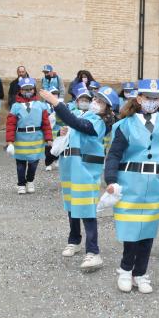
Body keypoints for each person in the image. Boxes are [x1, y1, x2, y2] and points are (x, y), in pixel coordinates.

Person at [104, 79, 159, 294]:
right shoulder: (124, 124)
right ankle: (126, 270)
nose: (152, 102)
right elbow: (114, 155)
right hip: (129, 182)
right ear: (139, 98)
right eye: (147, 97)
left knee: (148, 231)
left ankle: (141, 273)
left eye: (156, 98)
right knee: (130, 231)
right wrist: (110, 180)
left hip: (155, 183)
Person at [40, 85, 118, 272]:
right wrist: (64, 133)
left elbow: (78, 125)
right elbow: (74, 127)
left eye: (101, 102)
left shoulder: (99, 122)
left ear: (108, 109)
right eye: (95, 99)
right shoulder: (85, 116)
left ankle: (93, 251)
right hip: (71, 168)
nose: (95, 103)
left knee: (87, 209)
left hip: (85, 170)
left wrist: (56, 103)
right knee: (72, 205)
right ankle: (74, 240)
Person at [6, 78, 53, 194]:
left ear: (34, 90)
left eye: (30, 89)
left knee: (33, 163)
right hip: (20, 138)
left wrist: (49, 138)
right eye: (25, 89)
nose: (28, 91)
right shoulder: (15, 106)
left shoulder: (41, 105)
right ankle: (21, 184)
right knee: (20, 163)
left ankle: (30, 180)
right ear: (20, 90)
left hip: (36, 138)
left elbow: (46, 123)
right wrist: (10, 142)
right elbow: (10, 124)